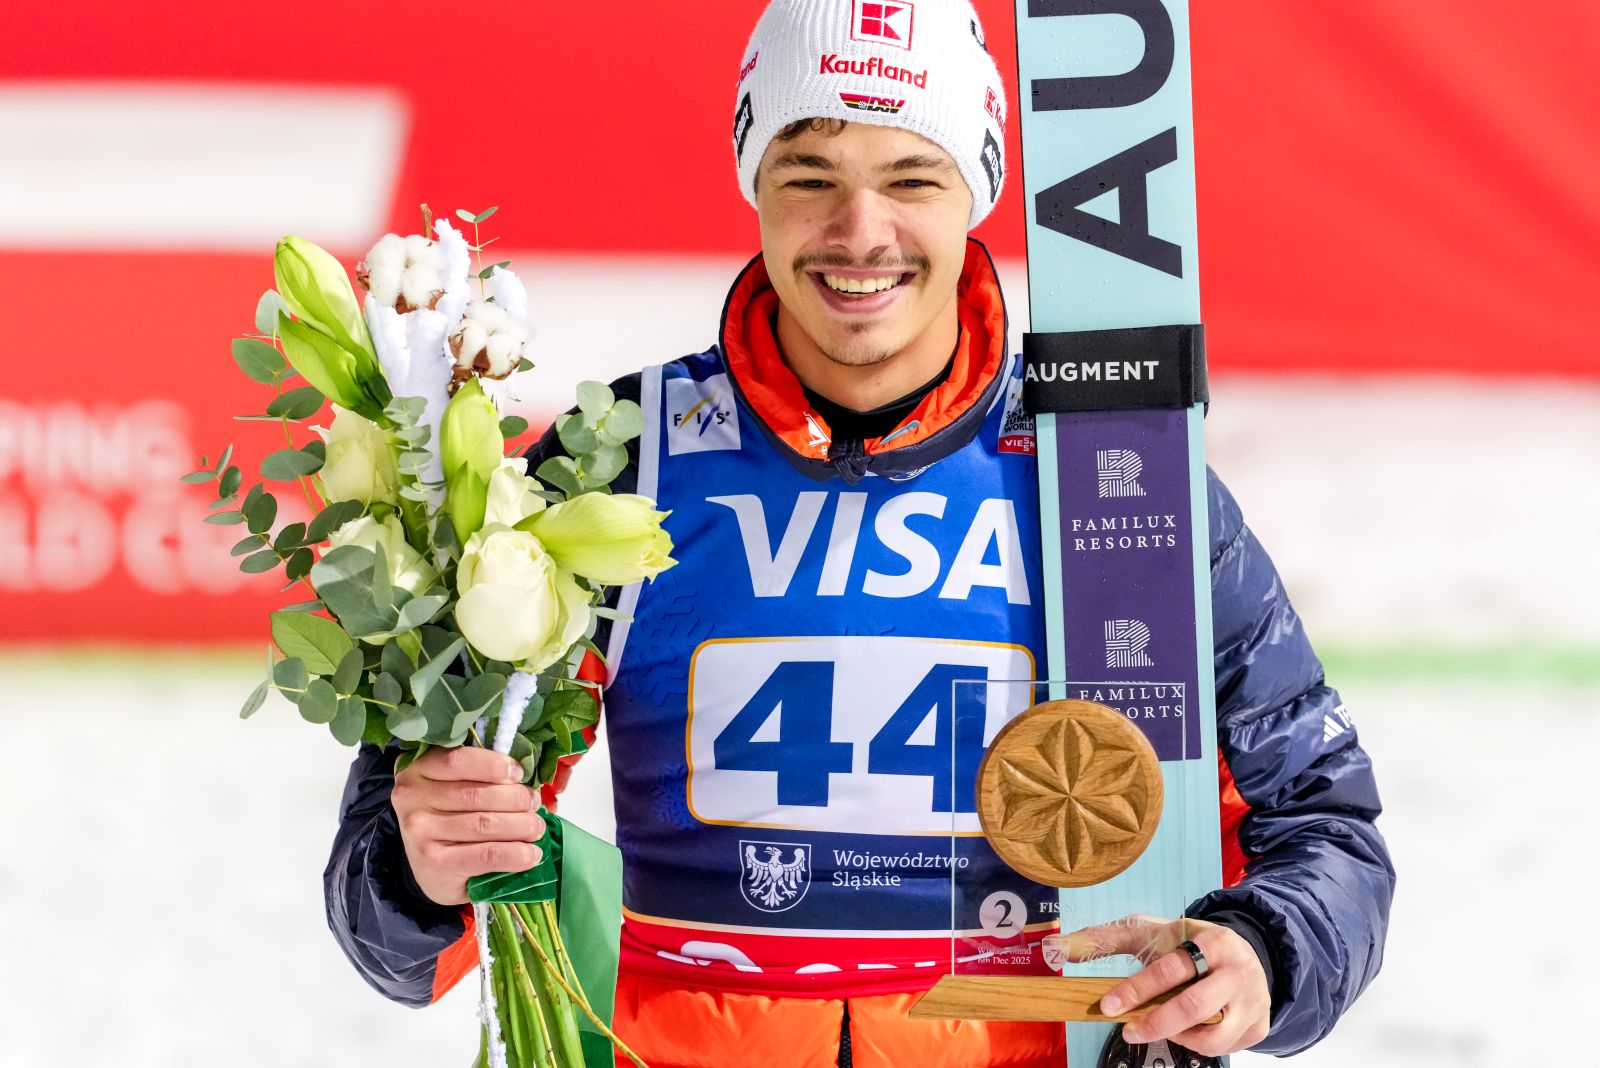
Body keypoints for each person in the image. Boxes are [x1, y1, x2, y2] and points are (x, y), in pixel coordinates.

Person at [324, 2, 1395, 1065]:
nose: (860, 231)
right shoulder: (616, 463)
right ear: (753, 182)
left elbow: (1319, 827)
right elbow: (397, 926)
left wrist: (1261, 952)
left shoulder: (1113, 478)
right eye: (809, 177)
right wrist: (424, 869)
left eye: (912, 177)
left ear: (975, 188)